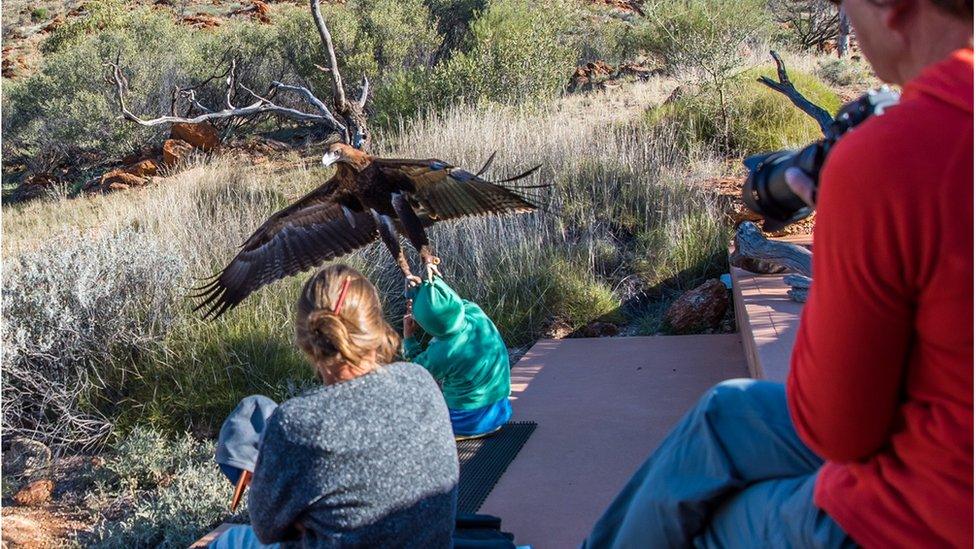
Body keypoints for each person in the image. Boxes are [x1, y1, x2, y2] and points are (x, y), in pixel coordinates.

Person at [583, 0, 973, 546]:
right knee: (728, 411)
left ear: (891, 7)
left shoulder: (901, 154)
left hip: (929, 514)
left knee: (709, 523)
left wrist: (845, 220)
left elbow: (837, 429)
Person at [210, 264, 459, 548]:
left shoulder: (295, 424)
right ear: (376, 326)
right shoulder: (421, 381)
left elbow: (267, 530)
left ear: (307, 340)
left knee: (230, 541)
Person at [402, 276, 513, 439]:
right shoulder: (475, 311)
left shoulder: (442, 352)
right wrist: (423, 292)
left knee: (410, 418)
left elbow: (415, 371)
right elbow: (448, 303)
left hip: (466, 422)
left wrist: (409, 337)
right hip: (500, 412)